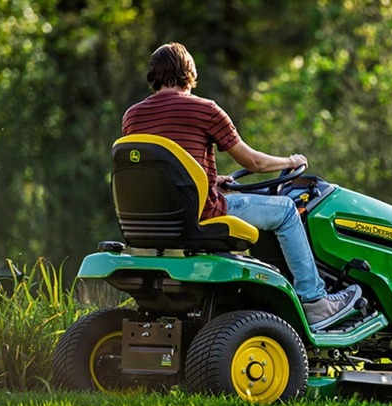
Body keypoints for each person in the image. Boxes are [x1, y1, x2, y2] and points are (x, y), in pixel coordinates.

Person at [122, 42, 361, 330]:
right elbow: (253, 162)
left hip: (152, 221)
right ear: (189, 73)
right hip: (201, 215)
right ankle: (315, 301)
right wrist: (290, 159)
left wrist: (212, 180)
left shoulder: (132, 116)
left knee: (256, 202)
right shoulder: (204, 110)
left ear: (154, 75)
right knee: (285, 209)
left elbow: (162, 168)